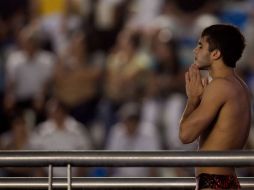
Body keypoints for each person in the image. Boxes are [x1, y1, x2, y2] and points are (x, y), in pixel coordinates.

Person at [179, 24, 251, 190]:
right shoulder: (240, 85)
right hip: (226, 181)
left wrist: (192, 100)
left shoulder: (219, 87)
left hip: (214, 182)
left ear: (216, 53)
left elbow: (185, 135)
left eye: (200, 45)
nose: (194, 51)